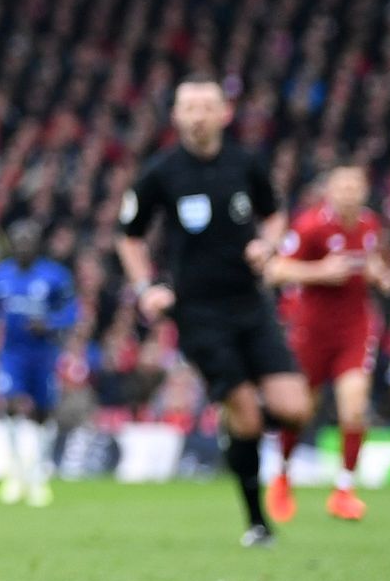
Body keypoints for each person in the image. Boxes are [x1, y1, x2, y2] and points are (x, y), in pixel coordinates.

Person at [117, 76, 311, 548]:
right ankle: (257, 522)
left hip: (252, 304)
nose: (198, 115)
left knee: (294, 408)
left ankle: (237, 427)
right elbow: (128, 234)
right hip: (198, 312)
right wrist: (147, 287)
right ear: (177, 115)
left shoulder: (246, 164)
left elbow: (273, 214)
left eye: (207, 106)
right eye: (189, 107)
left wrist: (266, 246)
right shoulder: (161, 172)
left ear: (225, 113)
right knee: (246, 415)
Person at [265, 165, 390, 522]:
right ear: (329, 191)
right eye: (342, 186)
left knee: (354, 409)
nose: (348, 193)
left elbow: (380, 267)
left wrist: (383, 277)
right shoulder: (310, 226)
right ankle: (282, 475)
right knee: (300, 411)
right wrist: (320, 272)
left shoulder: (370, 225)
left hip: (354, 328)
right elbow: (276, 269)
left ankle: (343, 490)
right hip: (311, 330)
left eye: (355, 186)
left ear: (365, 191)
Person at [0, 220, 76, 508]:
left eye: (28, 240)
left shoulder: (55, 276)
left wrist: (49, 324)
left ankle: (37, 475)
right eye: (18, 240)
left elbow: (71, 311)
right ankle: (15, 472)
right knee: (9, 404)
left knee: (43, 413)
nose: (23, 246)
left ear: (38, 244)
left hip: (43, 353)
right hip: (12, 353)